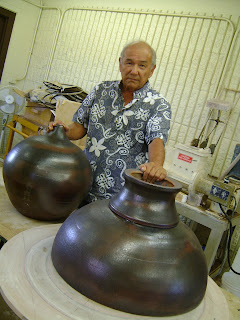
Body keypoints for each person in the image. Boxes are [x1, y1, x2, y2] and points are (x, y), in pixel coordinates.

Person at [49, 40, 171, 202]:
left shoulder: (158, 104)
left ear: (151, 70)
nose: (134, 71)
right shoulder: (101, 91)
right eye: (129, 63)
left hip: (122, 196)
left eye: (142, 66)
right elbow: (79, 126)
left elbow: (156, 140)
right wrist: (64, 131)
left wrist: (155, 164)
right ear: (120, 63)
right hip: (83, 183)